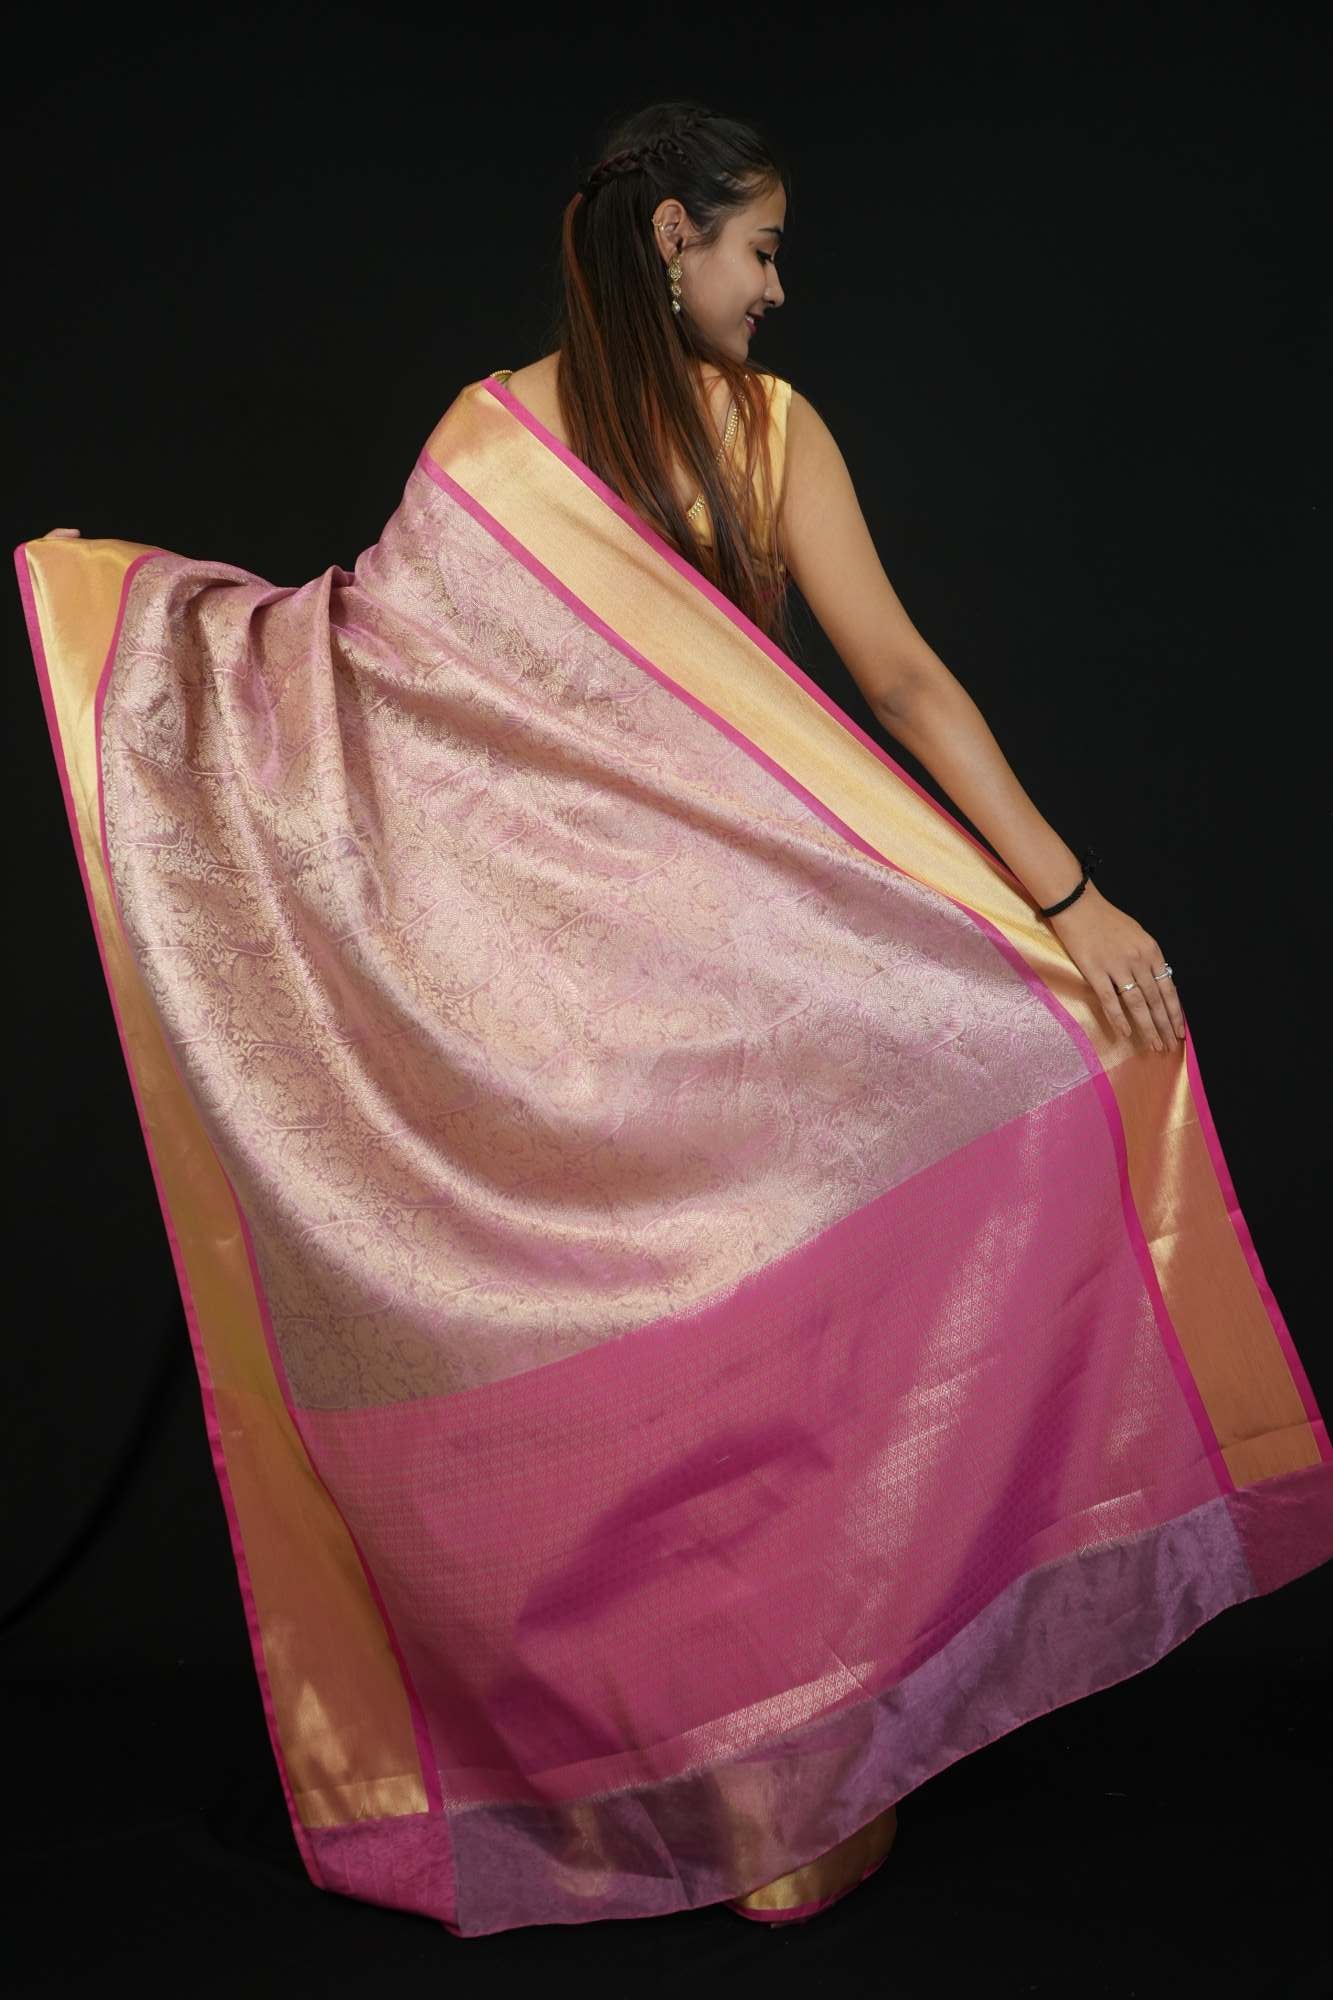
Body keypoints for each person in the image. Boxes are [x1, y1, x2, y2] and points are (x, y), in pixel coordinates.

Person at [18, 100, 1330, 1940]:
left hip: (752, 982)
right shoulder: (502, 444)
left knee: (875, 1258)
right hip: (569, 1003)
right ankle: (732, 1790)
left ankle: (826, 1754)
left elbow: (895, 678)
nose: (776, 290)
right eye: (760, 248)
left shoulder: (733, 429)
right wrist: (145, 633)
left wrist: (1061, 903)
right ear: (670, 241)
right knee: (649, 1393)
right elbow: (364, 688)